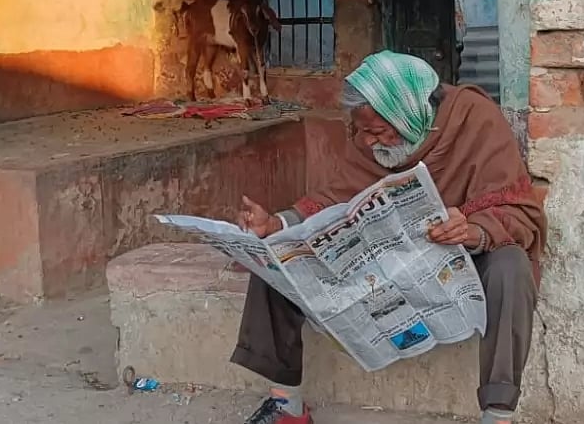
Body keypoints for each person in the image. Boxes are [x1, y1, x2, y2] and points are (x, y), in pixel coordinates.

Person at [231, 51, 546, 424]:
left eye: (378, 132)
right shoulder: (369, 141)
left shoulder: (477, 122)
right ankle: (287, 406)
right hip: (385, 261)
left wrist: (474, 230)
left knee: (511, 266)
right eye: (359, 131)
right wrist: (277, 225)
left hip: (457, 259)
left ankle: (496, 415)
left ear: (409, 116)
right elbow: (333, 199)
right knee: (276, 257)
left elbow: (520, 213)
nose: (365, 142)